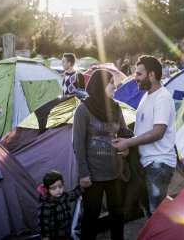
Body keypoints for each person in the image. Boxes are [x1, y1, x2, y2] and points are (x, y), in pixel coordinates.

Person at [113, 55, 176, 215]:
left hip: (159, 163)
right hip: (147, 163)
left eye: (139, 74)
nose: (135, 78)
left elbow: (158, 132)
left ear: (152, 75)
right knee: (148, 210)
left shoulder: (162, 98)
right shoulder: (147, 96)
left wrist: (129, 143)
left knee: (156, 215)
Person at [72, 69, 131, 240]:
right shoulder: (83, 109)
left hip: (115, 172)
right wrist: (83, 173)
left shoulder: (115, 106)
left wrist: (128, 144)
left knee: (117, 214)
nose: (115, 86)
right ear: (100, 85)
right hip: (93, 174)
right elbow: (78, 143)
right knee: (91, 216)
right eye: (111, 82)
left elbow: (124, 130)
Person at [37, 170, 84, 240]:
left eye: (60, 186)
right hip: (54, 236)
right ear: (47, 190)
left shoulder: (65, 196)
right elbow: (43, 223)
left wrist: (83, 186)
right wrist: (45, 237)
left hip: (66, 233)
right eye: (53, 188)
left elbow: (74, 193)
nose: (58, 190)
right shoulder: (46, 204)